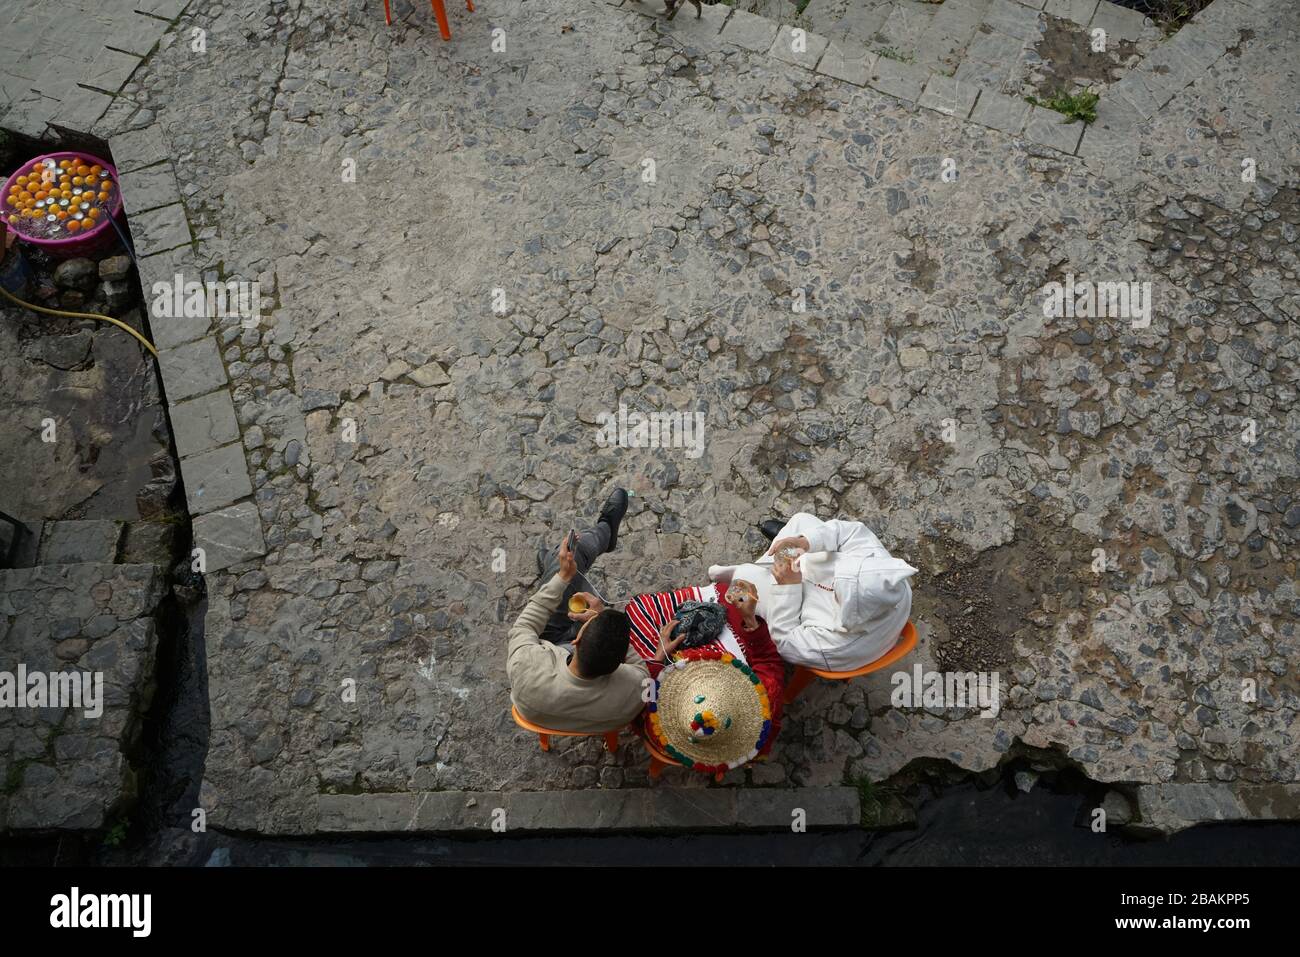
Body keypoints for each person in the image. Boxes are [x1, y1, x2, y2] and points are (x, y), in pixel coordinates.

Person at [569, 576, 784, 758]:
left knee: (637, 610)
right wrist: (749, 619)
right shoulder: (765, 700)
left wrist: (659, 654)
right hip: (705, 745)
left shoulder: (654, 720)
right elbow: (769, 661)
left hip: (663, 741)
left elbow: (645, 690)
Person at [506, 490, 648, 733]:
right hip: (583, 693)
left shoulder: (527, 665)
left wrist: (563, 577)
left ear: (578, 640)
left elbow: (526, 625)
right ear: (618, 666)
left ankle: (599, 534)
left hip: (549, 657)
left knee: (570, 557)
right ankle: (599, 537)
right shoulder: (635, 690)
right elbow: (641, 670)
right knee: (566, 568)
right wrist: (602, 621)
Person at [709, 512, 917, 671]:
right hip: (816, 589)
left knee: (747, 576)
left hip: (801, 614)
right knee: (802, 520)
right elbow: (847, 533)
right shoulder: (879, 569)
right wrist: (805, 542)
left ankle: (742, 572)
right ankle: (771, 559)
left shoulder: (837, 644)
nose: (831, 582)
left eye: (836, 591)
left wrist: (788, 588)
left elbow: (786, 643)